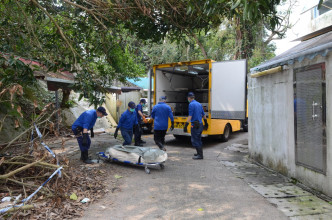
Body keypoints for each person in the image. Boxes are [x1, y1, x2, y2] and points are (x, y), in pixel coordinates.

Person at [183, 92, 208, 160]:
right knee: (198, 138)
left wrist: (186, 125)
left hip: (195, 125)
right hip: (200, 124)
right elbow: (204, 115)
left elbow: (190, 115)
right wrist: (206, 123)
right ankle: (199, 153)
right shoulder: (199, 104)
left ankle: (200, 155)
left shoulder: (191, 104)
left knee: (195, 140)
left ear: (189, 98)